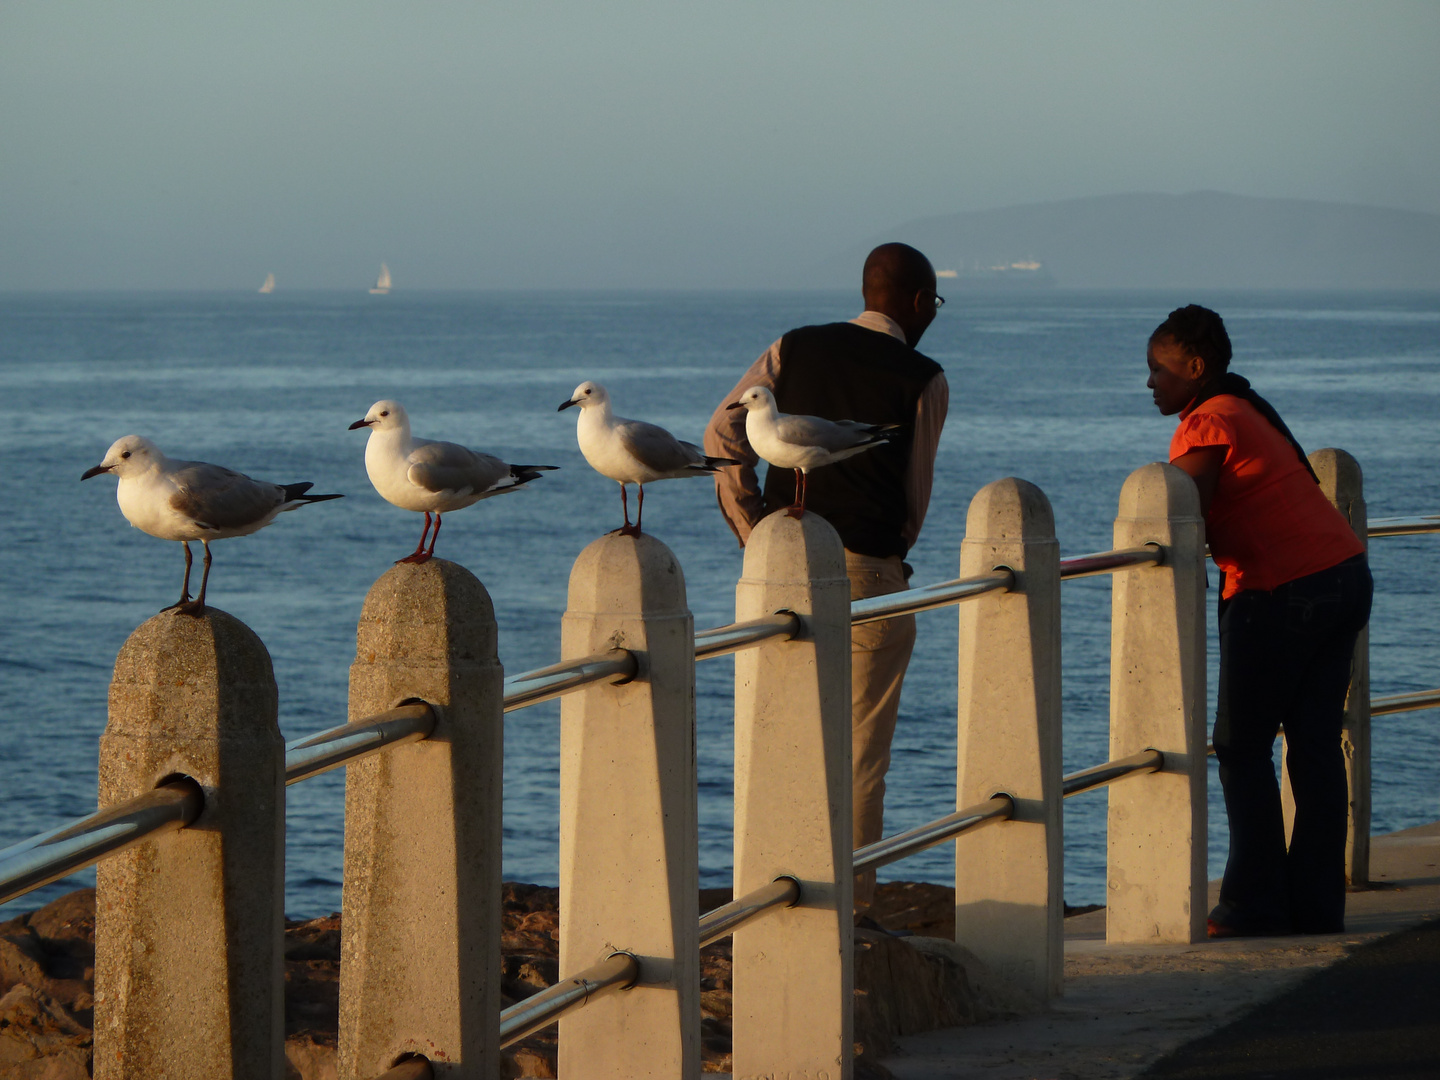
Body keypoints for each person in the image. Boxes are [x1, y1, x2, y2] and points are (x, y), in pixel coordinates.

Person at [704, 242, 949, 908]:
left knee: (775, 742)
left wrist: (759, 537)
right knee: (858, 755)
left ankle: (770, 896)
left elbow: (721, 441)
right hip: (869, 575)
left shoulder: (791, 349)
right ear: (921, 303)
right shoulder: (925, 376)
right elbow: (914, 496)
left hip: (783, 572)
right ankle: (852, 907)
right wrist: (886, 556)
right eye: (936, 305)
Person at [1146, 304, 1372, 937]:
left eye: (1159, 370)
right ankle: (1317, 906)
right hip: (1343, 575)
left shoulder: (1210, 421)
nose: (1150, 384)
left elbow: (1180, 507)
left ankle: (1253, 903)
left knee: (1242, 747)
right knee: (1314, 746)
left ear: (1195, 367)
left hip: (1283, 590)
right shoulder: (1249, 409)